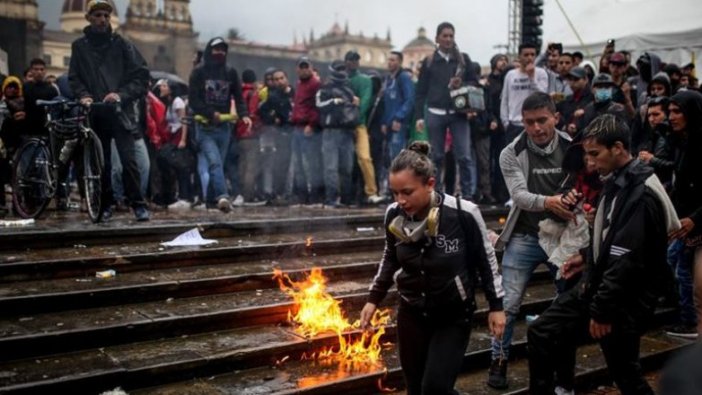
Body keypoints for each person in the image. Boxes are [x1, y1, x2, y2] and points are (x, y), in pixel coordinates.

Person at [527, 114, 680, 395]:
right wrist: (586, 256)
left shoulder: (640, 192)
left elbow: (627, 259)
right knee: (543, 332)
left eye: (596, 154)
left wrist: (602, 311)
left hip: (622, 299)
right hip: (603, 287)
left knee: (625, 372)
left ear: (619, 148)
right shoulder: (617, 180)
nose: (591, 162)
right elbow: (612, 237)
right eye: (588, 154)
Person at [360, 141, 505, 395]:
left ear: (430, 184)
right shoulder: (393, 214)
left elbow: (486, 260)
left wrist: (496, 306)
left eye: (407, 192)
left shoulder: (463, 213)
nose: (400, 200)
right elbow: (390, 257)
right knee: (415, 389)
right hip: (411, 311)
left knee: (435, 387)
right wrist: (374, 299)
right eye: (395, 193)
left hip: (453, 314)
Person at [488, 91, 574, 389]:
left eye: (542, 121)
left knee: (568, 302)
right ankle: (498, 361)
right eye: (529, 122)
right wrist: (552, 201)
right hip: (525, 234)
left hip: (564, 236)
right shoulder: (511, 151)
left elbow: (585, 187)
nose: (536, 128)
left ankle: (564, 372)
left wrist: (574, 201)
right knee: (507, 303)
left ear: (555, 118)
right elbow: (520, 197)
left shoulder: (573, 147)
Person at [68, 0, 150, 221]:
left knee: (129, 161)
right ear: (89, 18)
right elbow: (74, 78)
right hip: (96, 112)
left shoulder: (122, 44)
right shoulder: (79, 47)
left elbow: (141, 76)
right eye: (98, 16)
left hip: (119, 112)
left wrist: (120, 95)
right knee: (101, 163)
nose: (102, 20)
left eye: (106, 15)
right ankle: (106, 204)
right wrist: (83, 95)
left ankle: (138, 204)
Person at [414, 22, 478, 198]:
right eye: (445, 36)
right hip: (435, 113)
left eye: (451, 36)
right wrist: (419, 116)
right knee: (437, 157)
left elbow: (475, 83)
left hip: (459, 114)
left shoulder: (463, 60)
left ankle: (468, 196)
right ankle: (437, 195)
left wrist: (462, 84)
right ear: (437, 39)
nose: (448, 39)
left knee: (464, 157)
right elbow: (420, 91)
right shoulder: (429, 62)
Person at [188, 36, 251, 213]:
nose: (220, 52)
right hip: (205, 127)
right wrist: (210, 113)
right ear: (209, 50)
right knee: (214, 163)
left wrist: (244, 115)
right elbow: (193, 101)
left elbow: (238, 98)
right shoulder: (198, 73)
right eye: (216, 49)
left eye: (223, 49)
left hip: (224, 128)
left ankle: (209, 202)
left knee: (219, 165)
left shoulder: (231, 72)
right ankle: (223, 197)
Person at [664, 90, 702, 338]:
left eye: (678, 111)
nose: (671, 117)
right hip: (686, 226)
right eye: (670, 111)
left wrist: (695, 219)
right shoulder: (681, 142)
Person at [316, 60, 359, 208]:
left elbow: (355, 109)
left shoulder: (349, 89)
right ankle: (332, 199)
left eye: (343, 68)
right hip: (330, 131)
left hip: (347, 132)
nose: (341, 71)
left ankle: (346, 199)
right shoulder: (325, 88)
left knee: (347, 168)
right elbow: (319, 105)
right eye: (338, 68)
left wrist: (355, 103)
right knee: (331, 167)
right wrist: (333, 101)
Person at [345, 50, 384, 205]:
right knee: (346, 163)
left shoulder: (364, 80)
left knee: (365, 158)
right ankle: (347, 194)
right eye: (350, 59)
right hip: (342, 126)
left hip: (358, 125)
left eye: (356, 59)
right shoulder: (341, 79)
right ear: (346, 61)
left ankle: (371, 192)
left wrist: (356, 120)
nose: (353, 62)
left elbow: (365, 102)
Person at [289, 56, 323, 206]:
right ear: (297, 69)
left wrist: (311, 124)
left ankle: (314, 197)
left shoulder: (316, 84)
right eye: (301, 67)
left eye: (306, 67)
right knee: (298, 165)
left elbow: (317, 106)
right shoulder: (299, 84)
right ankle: (303, 197)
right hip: (297, 128)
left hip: (308, 129)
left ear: (311, 67)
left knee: (310, 164)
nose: (304, 70)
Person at [500, 43, 549, 143]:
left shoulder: (541, 73)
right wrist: (505, 122)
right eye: (526, 55)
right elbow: (505, 99)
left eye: (532, 54)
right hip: (515, 124)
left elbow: (543, 96)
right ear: (519, 57)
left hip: (535, 124)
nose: (530, 58)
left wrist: (532, 78)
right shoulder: (511, 75)